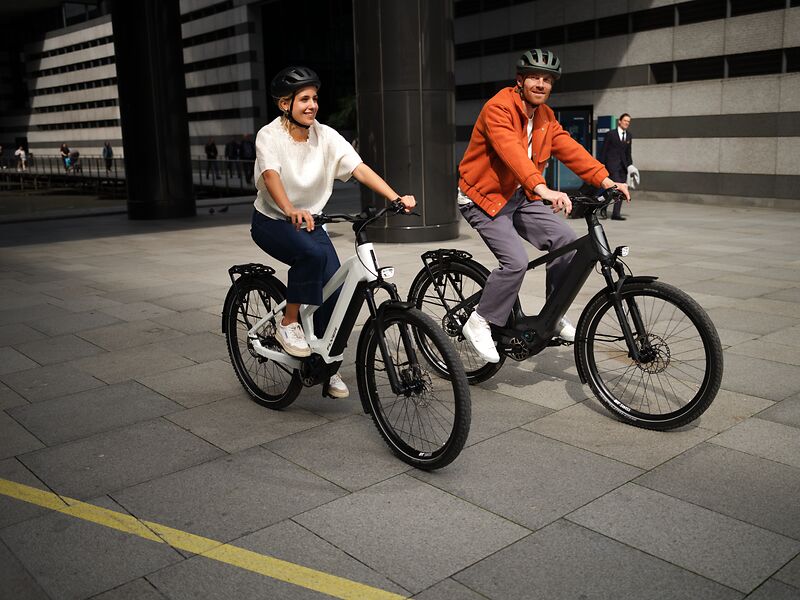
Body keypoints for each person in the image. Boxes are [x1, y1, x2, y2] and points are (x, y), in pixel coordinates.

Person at [251, 66, 415, 399]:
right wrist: (289, 209)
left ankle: (328, 364)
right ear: (285, 104)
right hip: (272, 221)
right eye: (303, 99)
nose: (311, 105)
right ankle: (288, 323)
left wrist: (395, 196)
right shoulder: (269, 136)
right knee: (309, 256)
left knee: (335, 293)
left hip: (311, 221)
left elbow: (358, 168)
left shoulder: (324, 135)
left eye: (314, 98)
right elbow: (270, 176)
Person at [457, 49, 630, 363]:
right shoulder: (498, 107)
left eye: (547, 79)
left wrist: (606, 180)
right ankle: (479, 320)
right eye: (535, 77)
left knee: (566, 242)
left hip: (520, 196)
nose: (541, 84)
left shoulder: (546, 117)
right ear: (520, 80)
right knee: (515, 262)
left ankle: (553, 314)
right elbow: (511, 151)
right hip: (483, 198)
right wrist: (542, 188)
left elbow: (570, 150)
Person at [598, 112, 635, 220]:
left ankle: (614, 213)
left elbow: (628, 153)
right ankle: (607, 209)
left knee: (619, 190)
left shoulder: (629, 135)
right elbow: (604, 151)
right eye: (625, 121)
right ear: (619, 121)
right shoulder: (611, 134)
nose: (627, 123)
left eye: (628, 121)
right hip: (612, 166)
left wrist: (630, 166)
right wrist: (602, 166)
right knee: (615, 189)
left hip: (623, 167)